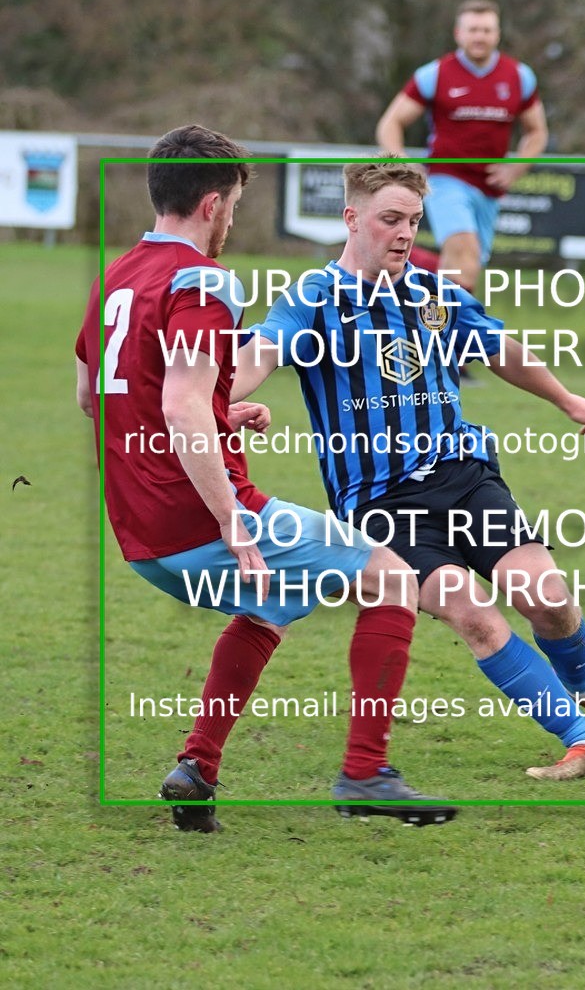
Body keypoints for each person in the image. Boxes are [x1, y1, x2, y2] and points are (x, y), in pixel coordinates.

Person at [75, 125, 456, 831]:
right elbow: (179, 403)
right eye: (237, 208)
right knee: (393, 579)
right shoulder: (204, 280)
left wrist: (221, 413)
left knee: (273, 606)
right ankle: (366, 772)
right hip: (200, 521)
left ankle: (196, 769)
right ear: (215, 204)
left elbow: (95, 395)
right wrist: (229, 517)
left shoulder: (117, 276)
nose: (232, 223)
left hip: (139, 533)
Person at [231, 159, 585, 781]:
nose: (405, 233)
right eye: (390, 219)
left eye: (414, 220)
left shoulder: (433, 292)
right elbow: (262, 351)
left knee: (548, 600)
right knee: (475, 617)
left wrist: (566, 399)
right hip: (380, 507)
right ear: (352, 219)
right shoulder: (312, 299)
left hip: (463, 475)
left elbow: (495, 348)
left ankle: (584, 683)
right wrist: (217, 401)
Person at [375, 0, 549, 295]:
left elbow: (537, 132)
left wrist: (518, 167)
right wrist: (404, 166)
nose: (479, 36)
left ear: (497, 34)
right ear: (459, 33)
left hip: (490, 187)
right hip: (446, 179)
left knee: (465, 265)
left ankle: (395, 267)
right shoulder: (435, 74)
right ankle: (458, 333)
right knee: (463, 250)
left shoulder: (519, 76)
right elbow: (389, 124)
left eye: (486, 30)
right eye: (473, 30)